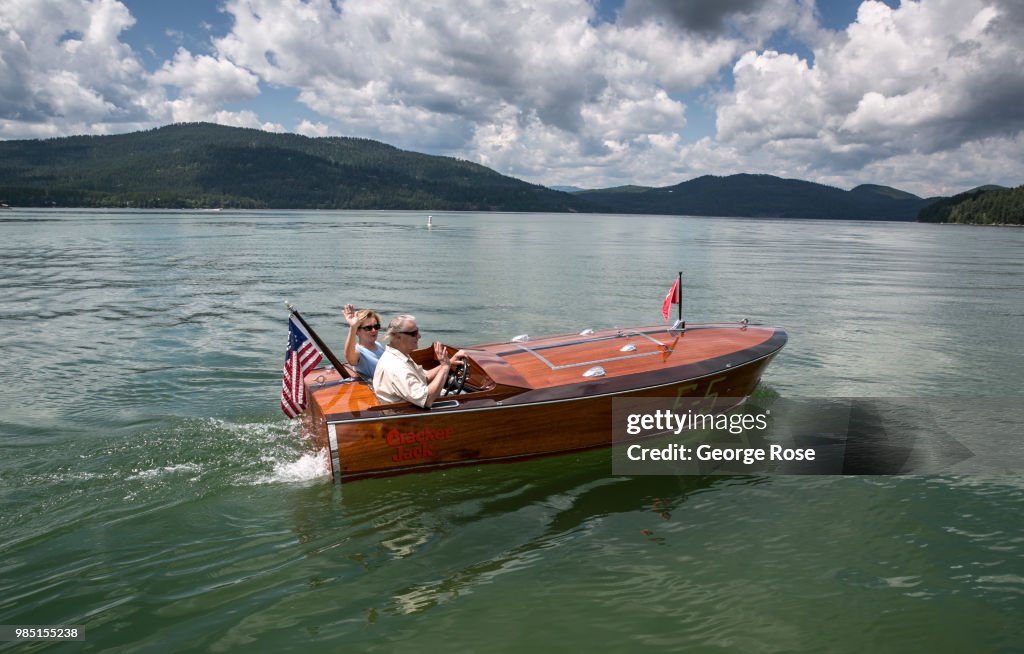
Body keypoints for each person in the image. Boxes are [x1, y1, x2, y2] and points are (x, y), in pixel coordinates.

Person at [372, 314, 465, 408]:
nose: (419, 336)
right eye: (414, 334)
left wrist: (449, 362)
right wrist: (445, 368)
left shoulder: (398, 356)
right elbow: (427, 400)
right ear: (397, 337)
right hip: (409, 417)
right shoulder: (397, 367)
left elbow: (424, 378)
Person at [342, 303, 385, 379]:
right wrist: (353, 327)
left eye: (376, 326)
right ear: (357, 331)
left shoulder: (378, 345)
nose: (374, 330)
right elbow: (351, 360)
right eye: (368, 328)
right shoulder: (358, 351)